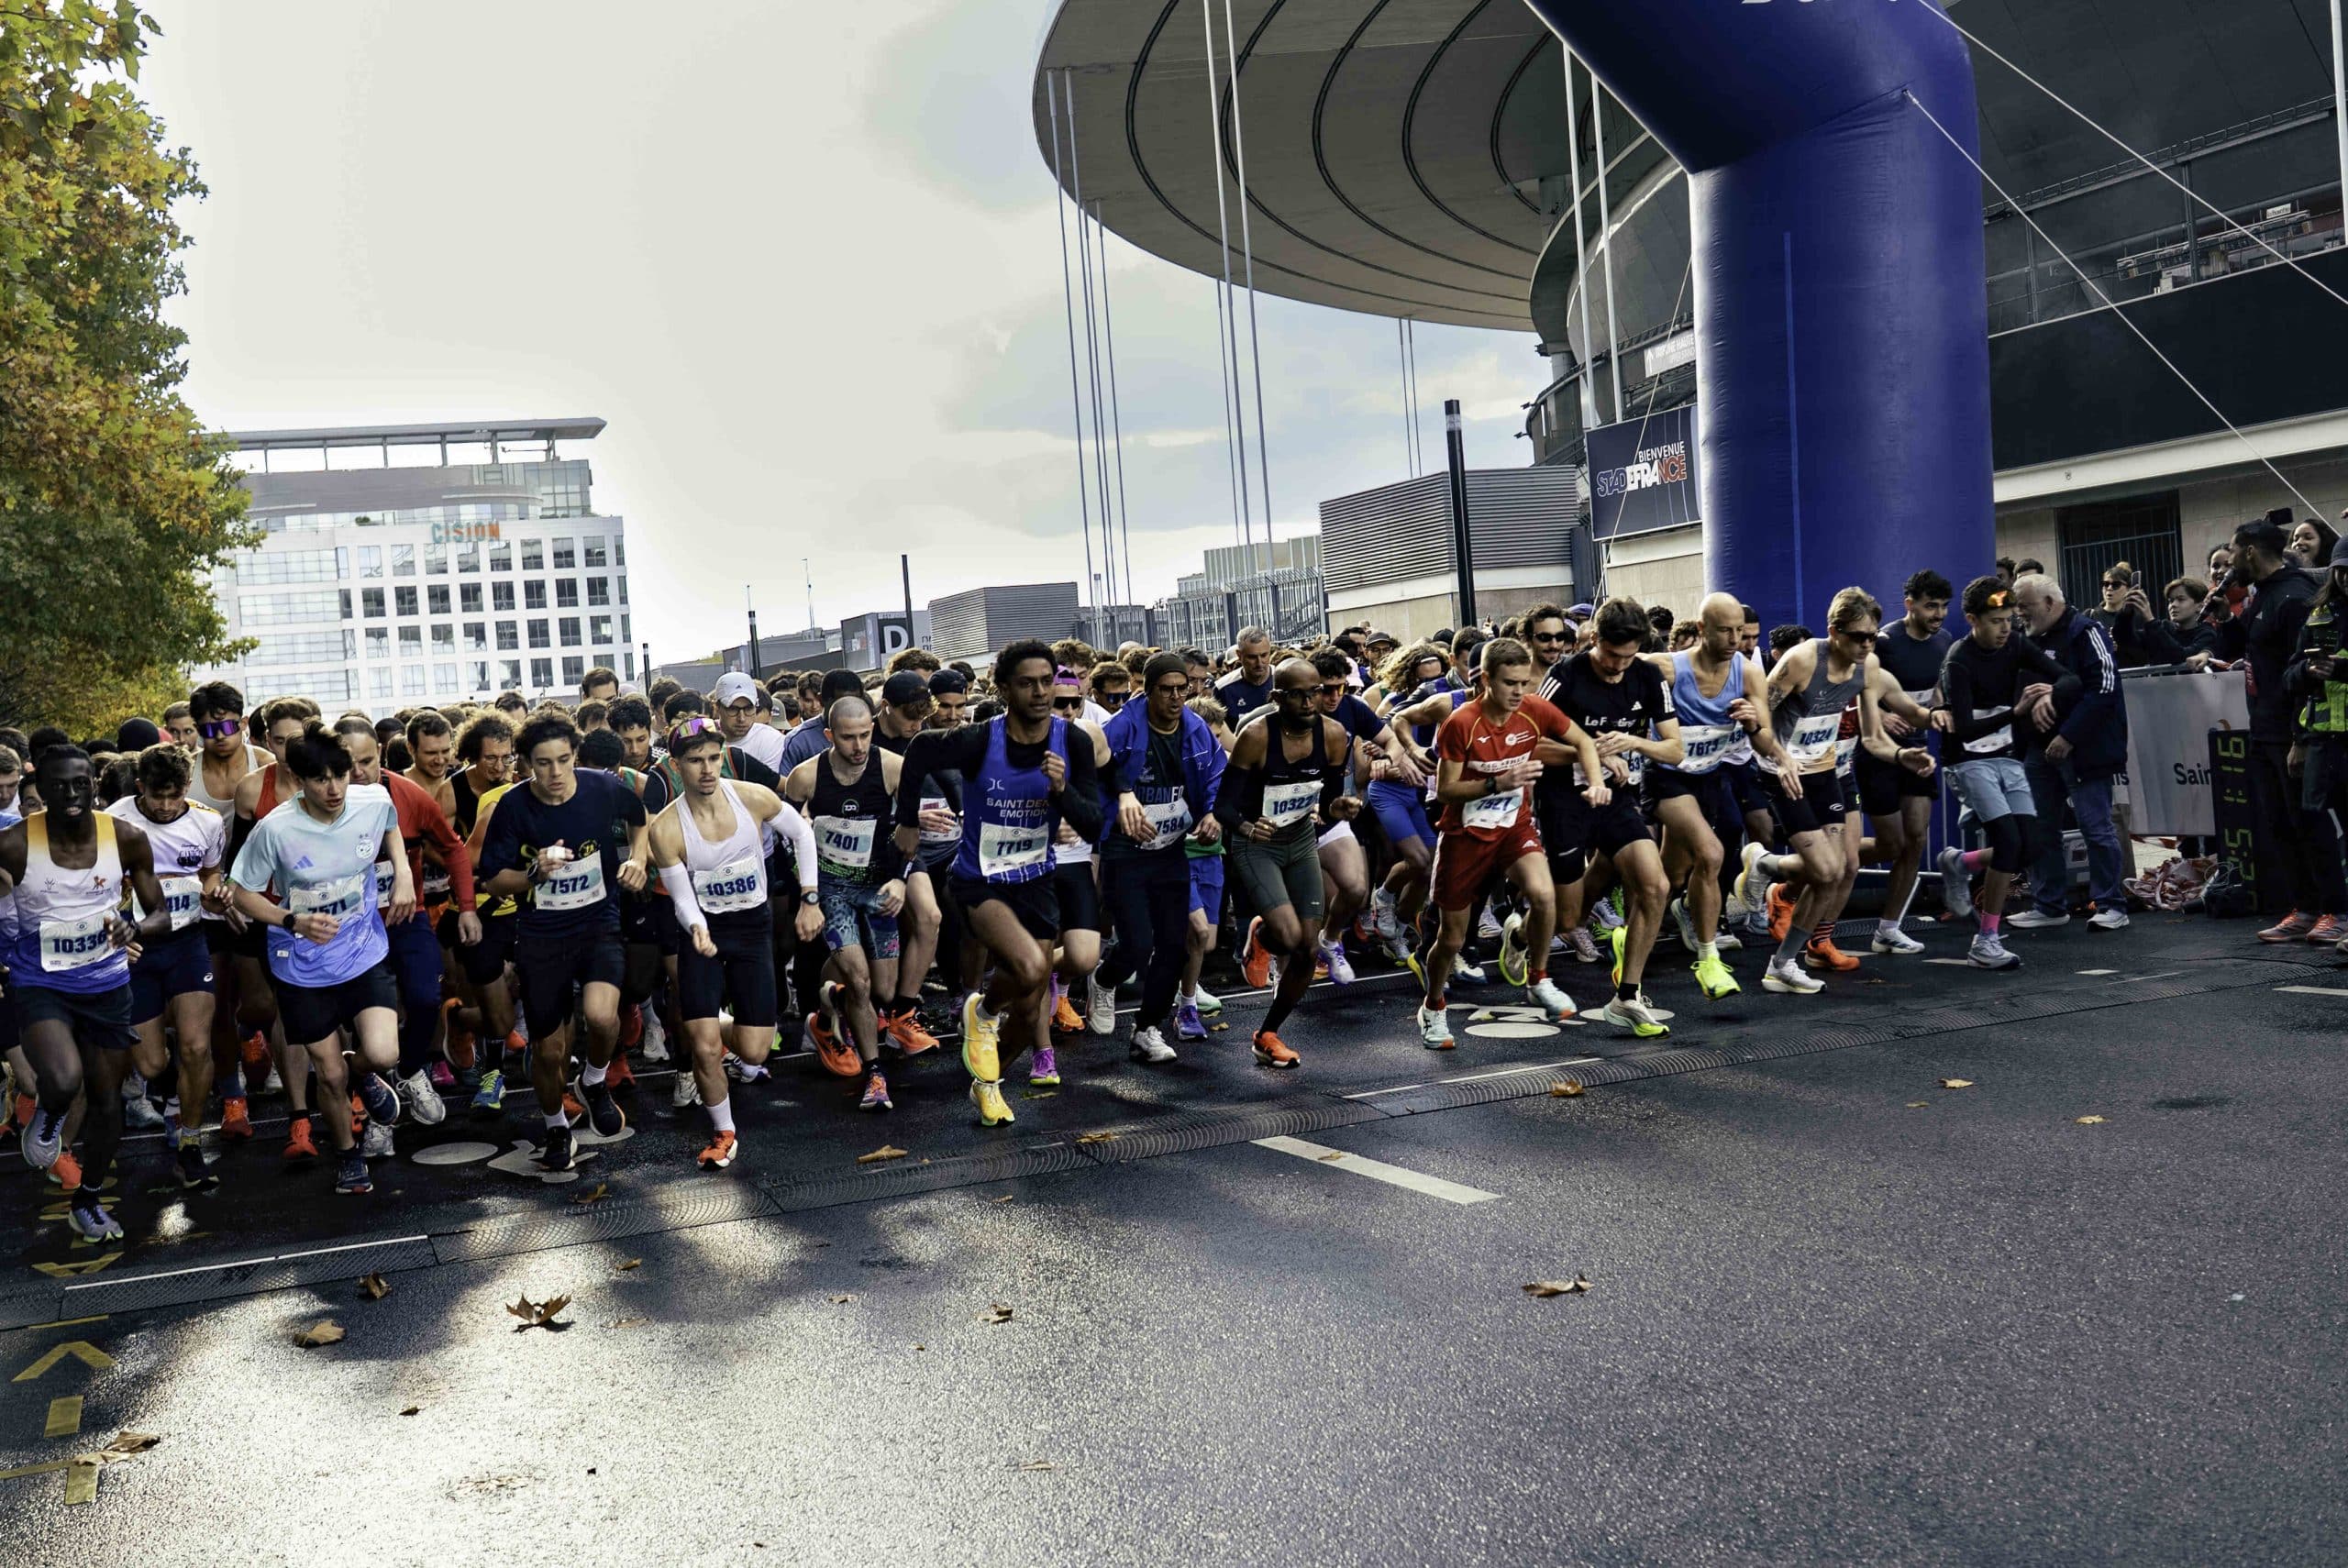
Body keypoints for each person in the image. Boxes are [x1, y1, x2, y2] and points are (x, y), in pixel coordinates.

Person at [893, 640, 1104, 1128]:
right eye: (1026, 683)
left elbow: (1093, 825)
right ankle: (983, 1010)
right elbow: (921, 750)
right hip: (978, 881)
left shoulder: (1071, 742)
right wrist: (907, 821)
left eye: (1046, 682)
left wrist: (1062, 790)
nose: (1039, 692)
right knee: (1030, 967)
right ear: (1005, 689)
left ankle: (987, 1085)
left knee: (1031, 1006)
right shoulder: (978, 740)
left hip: (1037, 878)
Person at [224, 723, 413, 1196]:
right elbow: (241, 893)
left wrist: (403, 874)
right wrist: (291, 920)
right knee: (327, 1074)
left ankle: (365, 1075)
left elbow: (391, 829)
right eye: (320, 780)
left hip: (362, 949)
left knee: (385, 1051)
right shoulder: (276, 829)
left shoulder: (373, 800)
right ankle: (349, 1156)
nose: (334, 789)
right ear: (299, 780)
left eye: (341, 776)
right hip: (301, 964)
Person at [3, 745, 177, 1238]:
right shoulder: (15, 845)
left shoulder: (125, 837)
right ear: (42, 789)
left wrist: (135, 930)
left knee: (107, 1101)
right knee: (61, 1078)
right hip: (41, 983)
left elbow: (161, 913)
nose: (72, 794)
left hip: (106, 984)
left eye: (81, 783)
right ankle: (50, 1117)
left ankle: (90, 1198)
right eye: (60, 786)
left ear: (94, 784)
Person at [1736, 590, 1935, 994]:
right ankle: (1768, 874)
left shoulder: (1869, 667)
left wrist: (1901, 756)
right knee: (1827, 870)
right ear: (1834, 632)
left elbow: (1875, 738)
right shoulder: (1804, 660)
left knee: (1840, 869)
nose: (1866, 645)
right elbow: (1757, 717)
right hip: (1783, 771)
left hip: (1827, 771)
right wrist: (1780, 757)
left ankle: (1785, 960)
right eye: (1858, 637)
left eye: (1872, 637)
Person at [477, 712, 651, 1171]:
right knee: (550, 1051)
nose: (555, 774)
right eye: (542, 763)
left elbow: (640, 819)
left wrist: (638, 858)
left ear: (575, 755)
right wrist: (535, 871)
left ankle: (593, 1081)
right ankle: (556, 1126)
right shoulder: (513, 808)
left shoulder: (600, 787)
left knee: (600, 1015)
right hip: (542, 935)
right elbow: (494, 880)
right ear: (526, 763)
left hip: (598, 923)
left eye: (563, 761)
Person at [650, 718, 822, 1165]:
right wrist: (695, 926)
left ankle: (722, 1022)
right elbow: (682, 898)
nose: (706, 769)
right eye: (694, 761)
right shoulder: (666, 830)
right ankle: (723, 1132)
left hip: (750, 930)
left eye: (713, 758)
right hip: (703, 936)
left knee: (753, 1050)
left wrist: (809, 898)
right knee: (704, 1045)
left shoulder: (753, 797)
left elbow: (803, 834)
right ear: (676, 765)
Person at [1414, 637, 1596, 1048]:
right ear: (1485, 681)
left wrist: (1596, 781)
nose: (1518, 692)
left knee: (1544, 894)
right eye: (1509, 683)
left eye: (1524, 682)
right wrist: (1499, 781)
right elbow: (1446, 790)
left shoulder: (1533, 710)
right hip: (1465, 836)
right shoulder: (1462, 722)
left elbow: (1583, 741)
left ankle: (1539, 979)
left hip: (1513, 827)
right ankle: (1433, 1005)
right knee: (1453, 940)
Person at [1536, 601, 1684, 1035]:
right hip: (1565, 795)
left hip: (1617, 796)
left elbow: (1674, 748)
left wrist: (1634, 744)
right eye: (1611, 656)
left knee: (1655, 885)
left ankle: (1627, 996)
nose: (1619, 666)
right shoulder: (1563, 677)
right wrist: (1591, 752)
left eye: (1628, 656)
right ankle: (1522, 933)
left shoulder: (1647, 675)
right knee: (1566, 921)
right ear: (1592, 639)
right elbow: (1528, 745)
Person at [1213, 658, 1360, 1068]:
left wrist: (1339, 807)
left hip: (1299, 841)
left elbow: (1328, 802)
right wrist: (1245, 826)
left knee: (1307, 949)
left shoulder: (1333, 735)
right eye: (1298, 693)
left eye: (1314, 691)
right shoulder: (1257, 736)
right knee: (1290, 936)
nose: (1310, 700)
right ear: (1277, 698)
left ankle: (1268, 1033)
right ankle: (1263, 935)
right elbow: (1223, 806)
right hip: (1257, 844)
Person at [333, 716, 480, 1125]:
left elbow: (454, 850)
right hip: (350, 929)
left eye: (367, 761)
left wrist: (466, 906)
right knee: (367, 1019)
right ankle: (372, 1106)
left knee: (424, 998)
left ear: (380, 755)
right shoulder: (319, 804)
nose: (359, 773)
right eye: (348, 764)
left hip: (406, 915)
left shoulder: (409, 796)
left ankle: (413, 1069)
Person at [1641, 592, 1787, 1001]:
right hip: (1666, 777)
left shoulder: (1748, 673)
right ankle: (1707, 956)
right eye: (1725, 630)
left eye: (1740, 631)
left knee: (1670, 876)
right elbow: (1612, 669)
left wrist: (1755, 723)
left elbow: (1763, 742)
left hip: (1708, 777)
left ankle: (1630, 935)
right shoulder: (1668, 667)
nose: (1735, 639)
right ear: (1701, 629)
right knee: (1712, 852)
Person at [1933, 577, 2080, 968]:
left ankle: (1960, 863)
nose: (2005, 629)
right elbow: (1963, 728)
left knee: (2031, 845)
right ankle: (1986, 940)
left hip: (2006, 755)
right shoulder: (1958, 661)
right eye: (1996, 621)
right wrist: (2014, 713)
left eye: (2010, 619)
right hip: (1966, 759)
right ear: (1972, 620)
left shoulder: (2015, 643)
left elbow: (2068, 676)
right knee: (2008, 841)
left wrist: (2049, 691)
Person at [2210, 517, 2344, 942]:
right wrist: (2226, 620)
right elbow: (2257, 654)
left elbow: (2305, 673)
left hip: (2294, 732)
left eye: (2231, 551)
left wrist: (2300, 738)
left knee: (2310, 823)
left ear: (2250, 551)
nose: (2226, 561)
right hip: (2263, 728)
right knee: (2280, 825)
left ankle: (2336, 910)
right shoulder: (2262, 596)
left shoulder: (2294, 596)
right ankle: (2304, 908)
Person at [105, 744, 230, 1189]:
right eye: (155, 796)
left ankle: (191, 1145)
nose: (163, 806)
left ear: (186, 789)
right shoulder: (115, 819)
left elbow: (210, 873)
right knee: (154, 1064)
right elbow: (95, 885)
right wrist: (118, 931)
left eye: (173, 795)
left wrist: (216, 892)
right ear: (140, 788)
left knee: (197, 1046)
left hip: (187, 941)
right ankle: (171, 1095)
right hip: (136, 948)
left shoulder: (207, 821)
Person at [1092, 652, 1225, 1064]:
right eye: (1164, 690)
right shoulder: (1121, 729)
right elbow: (1095, 774)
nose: (1174, 698)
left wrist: (1213, 813)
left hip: (1170, 848)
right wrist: (1120, 800)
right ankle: (1104, 978)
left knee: (1176, 945)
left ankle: (1147, 1028)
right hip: (1124, 849)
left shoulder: (1196, 729)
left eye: (1181, 690)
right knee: (1137, 944)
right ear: (1145, 691)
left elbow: (1219, 776)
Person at [785, 695, 912, 1111]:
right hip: (833, 888)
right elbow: (789, 841)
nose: (858, 746)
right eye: (848, 738)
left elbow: (910, 834)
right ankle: (876, 1076)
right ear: (829, 736)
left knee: (883, 990)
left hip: (878, 885)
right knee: (859, 980)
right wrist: (810, 896)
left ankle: (826, 1006)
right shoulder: (806, 778)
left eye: (864, 735)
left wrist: (900, 879)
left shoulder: (892, 768)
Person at [2009, 573, 2132, 933]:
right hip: (2038, 749)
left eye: (2025, 607)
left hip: (2083, 750)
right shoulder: (2025, 639)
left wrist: (2069, 735)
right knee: (2039, 828)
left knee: (2096, 827)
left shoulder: (2085, 631)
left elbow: (2105, 688)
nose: (2020, 614)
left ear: (2049, 603)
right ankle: (2049, 905)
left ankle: (2111, 903)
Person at [1859, 570, 1954, 953]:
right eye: (1932, 605)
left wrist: (1942, 709)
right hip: (1876, 753)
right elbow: (1850, 684)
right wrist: (1879, 715)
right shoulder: (1883, 642)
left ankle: (1889, 927)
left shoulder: (1944, 641)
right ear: (1910, 604)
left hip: (1915, 752)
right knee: (1891, 844)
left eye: (1944, 606)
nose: (1940, 614)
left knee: (1915, 839)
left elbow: (1937, 690)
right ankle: (1808, 868)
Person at [712, 670, 789, 772]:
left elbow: (769, 786)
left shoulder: (771, 739)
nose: (742, 718)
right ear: (716, 708)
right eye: (733, 709)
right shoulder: (702, 737)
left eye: (748, 709)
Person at [1215, 626, 1277, 724]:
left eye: (1264, 655)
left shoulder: (1285, 679)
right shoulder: (1223, 689)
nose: (1259, 663)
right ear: (1239, 655)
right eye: (1252, 657)